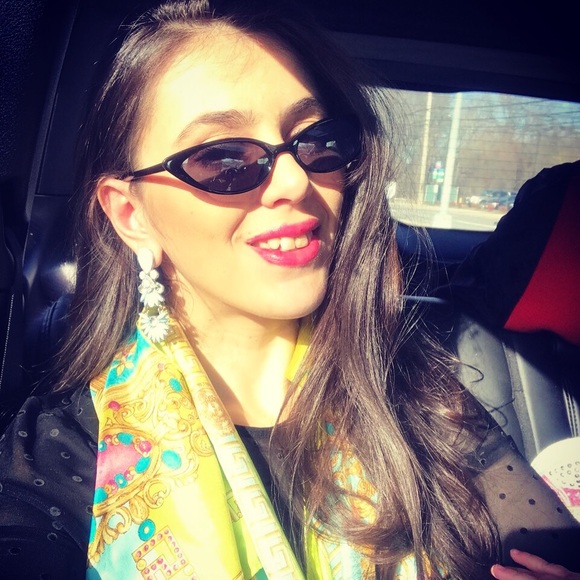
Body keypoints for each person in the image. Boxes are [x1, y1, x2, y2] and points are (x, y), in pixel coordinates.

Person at [0, 1, 578, 578]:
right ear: (132, 215)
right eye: (224, 158)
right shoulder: (62, 453)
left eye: (317, 141)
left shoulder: (417, 389)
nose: (298, 182)